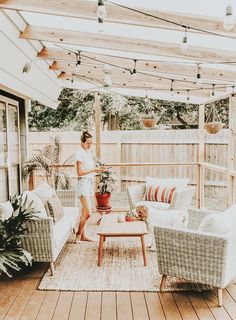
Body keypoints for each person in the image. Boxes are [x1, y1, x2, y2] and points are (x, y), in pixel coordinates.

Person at [75, 131, 105, 242]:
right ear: (82, 142)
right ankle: (78, 234)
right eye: (88, 143)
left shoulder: (88, 153)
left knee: (84, 211)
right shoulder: (79, 153)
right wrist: (94, 170)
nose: (90, 145)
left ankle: (84, 235)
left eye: (91, 143)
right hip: (83, 183)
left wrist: (99, 170)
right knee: (88, 213)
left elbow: (89, 171)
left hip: (89, 183)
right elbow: (80, 172)